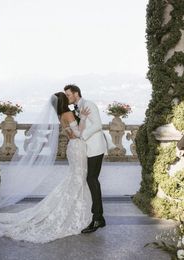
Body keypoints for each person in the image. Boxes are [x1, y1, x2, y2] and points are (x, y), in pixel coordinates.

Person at [0, 92, 94, 243]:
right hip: (78, 148)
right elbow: (77, 134)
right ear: (64, 101)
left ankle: (75, 209)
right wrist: (83, 118)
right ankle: (78, 212)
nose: (69, 99)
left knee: (76, 178)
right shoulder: (68, 114)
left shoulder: (60, 116)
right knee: (79, 178)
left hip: (72, 148)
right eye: (67, 97)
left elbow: (70, 135)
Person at [64, 84, 107, 233]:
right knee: (90, 180)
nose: (67, 97)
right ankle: (96, 216)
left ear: (76, 93)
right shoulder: (76, 108)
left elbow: (98, 125)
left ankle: (98, 218)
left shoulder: (89, 105)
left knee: (92, 179)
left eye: (69, 94)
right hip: (86, 150)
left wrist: (82, 135)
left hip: (95, 148)